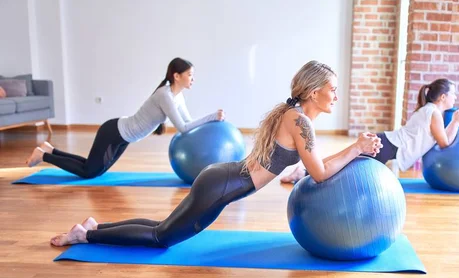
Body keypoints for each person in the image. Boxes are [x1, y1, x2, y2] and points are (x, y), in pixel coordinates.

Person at [50, 60, 382, 247]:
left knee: (164, 227)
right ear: (314, 92)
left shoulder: (296, 116)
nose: (336, 95)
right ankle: (87, 235)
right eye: (333, 89)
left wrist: (355, 148)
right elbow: (321, 172)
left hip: (220, 182)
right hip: (219, 186)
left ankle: (93, 228)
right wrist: (356, 148)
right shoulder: (300, 123)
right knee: (161, 237)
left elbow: (314, 165)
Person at [25, 57, 225, 178]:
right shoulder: (164, 95)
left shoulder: (177, 96)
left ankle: (51, 150)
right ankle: (43, 156)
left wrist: (211, 120)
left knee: (94, 169)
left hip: (124, 137)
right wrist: (212, 117)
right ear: (177, 76)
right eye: (190, 75)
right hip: (114, 132)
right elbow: (182, 127)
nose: (193, 79)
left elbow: (188, 123)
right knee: (89, 172)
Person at [280, 78, 459, 183]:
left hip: (389, 144)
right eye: (453, 94)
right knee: (347, 161)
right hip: (390, 146)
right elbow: (444, 143)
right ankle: (303, 172)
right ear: (443, 97)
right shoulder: (434, 113)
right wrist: (456, 121)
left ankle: (303, 170)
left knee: (346, 158)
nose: (455, 97)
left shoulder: (429, 111)